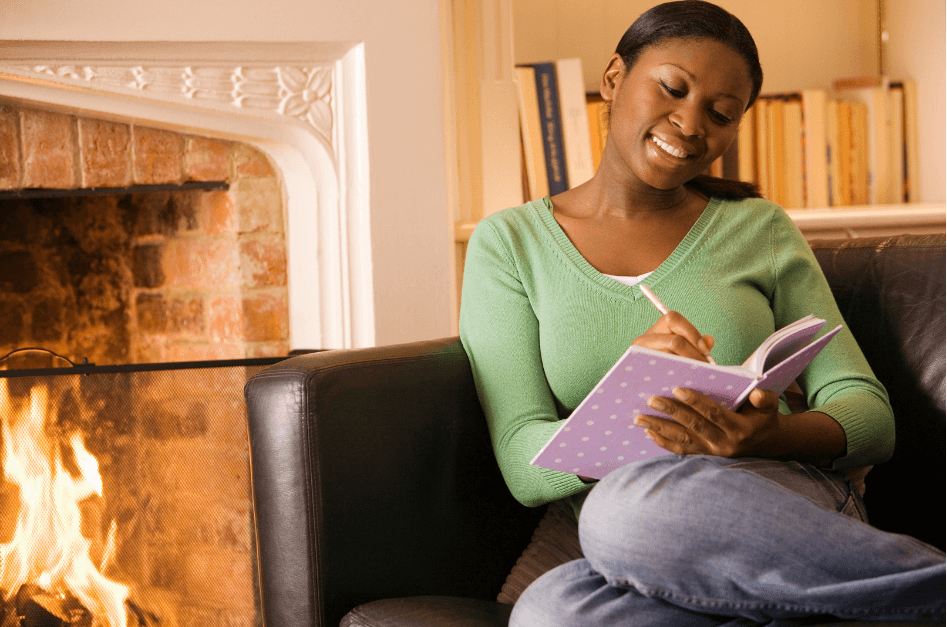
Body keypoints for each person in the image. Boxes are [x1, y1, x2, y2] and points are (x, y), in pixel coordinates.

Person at [457, 1, 946, 624]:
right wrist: (634, 401)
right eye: (672, 89)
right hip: (634, 552)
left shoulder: (758, 229)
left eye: (720, 114)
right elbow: (525, 462)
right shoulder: (511, 244)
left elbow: (869, 414)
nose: (690, 125)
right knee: (549, 614)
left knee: (623, 510)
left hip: (776, 503)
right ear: (614, 79)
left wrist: (766, 436)